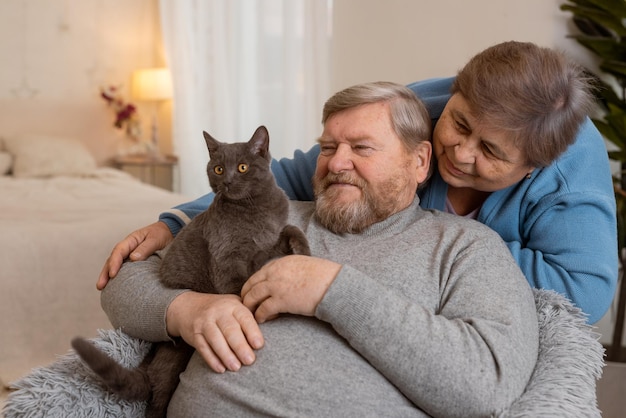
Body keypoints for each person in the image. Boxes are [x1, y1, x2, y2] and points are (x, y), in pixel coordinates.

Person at [98, 41, 618, 324]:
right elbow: (295, 173)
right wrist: (176, 220)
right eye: (459, 124)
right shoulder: (415, 108)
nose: (460, 153)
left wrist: (426, 244)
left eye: (490, 151)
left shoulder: (568, 168)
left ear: (532, 166)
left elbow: (582, 294)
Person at [101, 81, 539, 417]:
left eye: (361, 148)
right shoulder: (265, 209)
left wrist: (334, 290)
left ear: (419, 161)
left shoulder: (464, 246)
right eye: (328, 147)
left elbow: (488, 384)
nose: (337, 162)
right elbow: (123, 282)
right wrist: (186, 310)